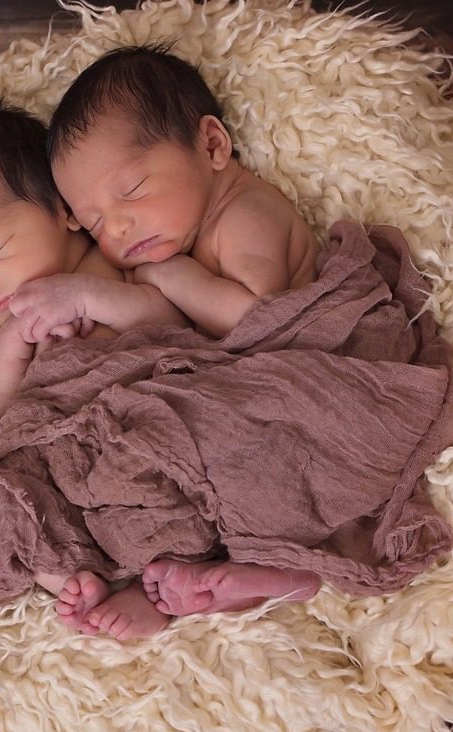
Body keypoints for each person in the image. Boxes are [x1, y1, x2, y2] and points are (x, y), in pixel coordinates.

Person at [41, 44, 325, 625]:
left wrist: (170, 274)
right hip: (253, 397)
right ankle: (179, 586)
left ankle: (262, 570)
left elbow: (253, 317)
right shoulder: (188, 229)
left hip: (307, 385)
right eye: (93, 221)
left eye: (132, 190)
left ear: (212, 145)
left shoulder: (248, 212)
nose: (116, 226)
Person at [0, 99, 185, 640]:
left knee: (189, 483)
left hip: (141, 424)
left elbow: (169, 321)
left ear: (64, 209)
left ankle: (165, 591)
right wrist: (13, 341)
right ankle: (75, 580)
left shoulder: (115, 264)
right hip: (61, 459)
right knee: (8, 502)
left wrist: (84, 297)